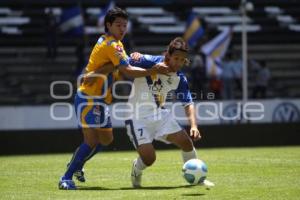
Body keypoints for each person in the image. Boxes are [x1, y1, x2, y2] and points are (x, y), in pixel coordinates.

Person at [58, 7, 169, 190]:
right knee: (92, 141)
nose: (122, 28)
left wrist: (111, 66)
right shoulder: (113, 45)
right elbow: (127, 71)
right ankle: (66, 178)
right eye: (118, 25)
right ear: (108, 25)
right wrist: (153, 70)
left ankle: (77, 165)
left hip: (101, 99)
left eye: (125, 25)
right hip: (89, 97)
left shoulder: (111, 41)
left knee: (106, 140)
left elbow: (118, 65)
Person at [125, 37, 215, 188]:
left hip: (160, 115)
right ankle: (137, 168)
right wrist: (134, 56)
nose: (178, 63)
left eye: (182, 60)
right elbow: (126, 64)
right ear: (168, 55)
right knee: (149, 159)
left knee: (186, 142)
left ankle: (197, 179)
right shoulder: (151, 61)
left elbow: (188, 103)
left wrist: (194, 126)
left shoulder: (180, 79)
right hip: (136, 117)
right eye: (176, 58)